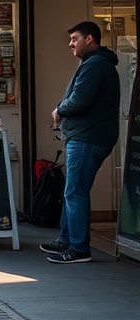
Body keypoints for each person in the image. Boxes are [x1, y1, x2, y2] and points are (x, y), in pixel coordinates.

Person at [41, 20, 120, 264]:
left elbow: (79, 100)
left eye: (75, 39)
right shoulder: (93, 63)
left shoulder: (95, 64)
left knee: (75, 192)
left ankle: (78, 248)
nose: (70, 44)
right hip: (84, 137)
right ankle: (66, 240)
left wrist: (59, 110)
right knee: (72, 191)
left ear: (89, 39)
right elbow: (78, 96)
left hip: (87, 139)